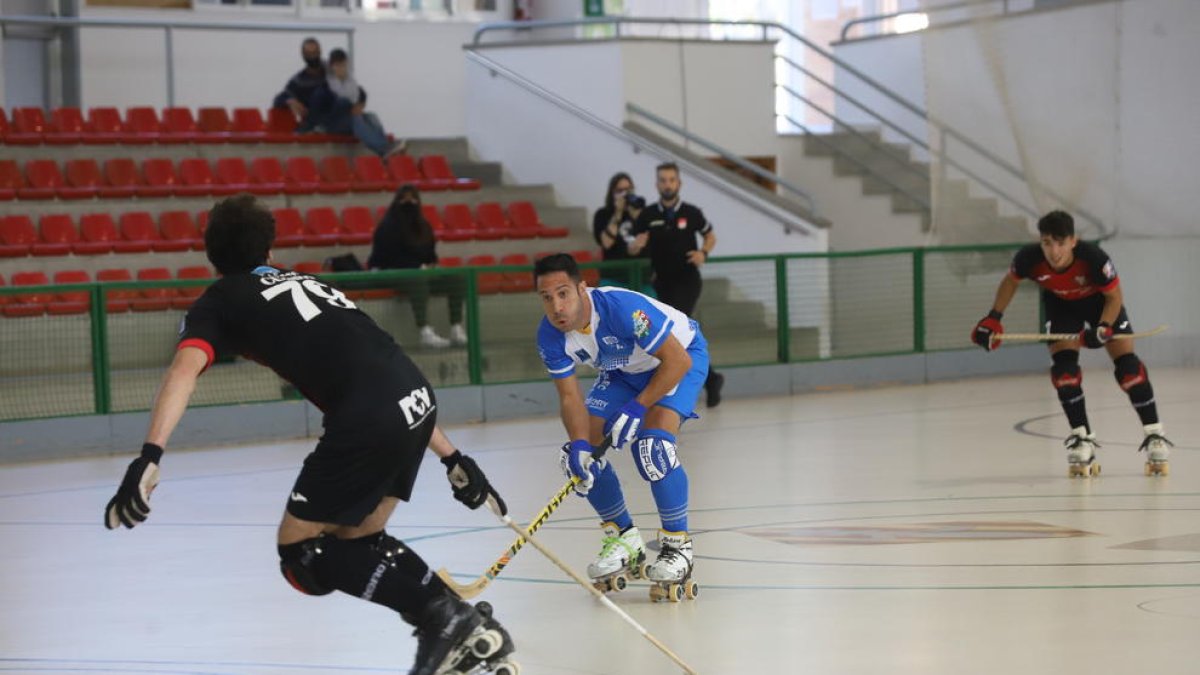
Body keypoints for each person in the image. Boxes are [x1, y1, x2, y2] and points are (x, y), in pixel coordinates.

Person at [102, 194, 517, 675]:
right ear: (269, 250)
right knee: (359, 537)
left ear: (211, 254)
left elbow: (183, 371)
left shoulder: (219, 301)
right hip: (416, 401)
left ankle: (442, 619)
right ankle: (467, 624)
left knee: (300, 553)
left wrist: (150, 455)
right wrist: (452, 456)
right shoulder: (307, 281)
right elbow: (378, 365)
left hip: (369, 415)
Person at [534, 253, 706, 601]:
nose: (557, 307)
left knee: (653, 448)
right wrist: (580, 445)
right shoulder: (549, 335)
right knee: (579, 458)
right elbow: (569, 397)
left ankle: (678, 546)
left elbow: (678, 361)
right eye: (547, 297)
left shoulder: (621, 309)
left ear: (582, 288)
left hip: (677, 359)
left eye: (563, 293)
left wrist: (638, 406)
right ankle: (624, 538)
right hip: (623, 372)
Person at [972, 210, 1172, 477]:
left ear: (1073, 241)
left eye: (1061, 243)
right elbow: (1011, 281)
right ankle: (1081, 438)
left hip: (1101, 305)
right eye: (1047, 243)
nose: (1054, 251)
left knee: (1130, 372)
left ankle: (1155, 434)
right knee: (1064, 374)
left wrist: (1102, 328)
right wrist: (993, 318)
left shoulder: (1094, 259)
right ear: (1040, 242)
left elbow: (1114, 298)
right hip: (1061, 306)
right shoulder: (1028, 259)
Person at [630, 162, 725, 408]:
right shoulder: (648, 215)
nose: (667, 184)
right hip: (661, 283)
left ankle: (678, 387)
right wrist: (636, 245)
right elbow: (633, 245)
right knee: (675, 335)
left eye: (671, 180)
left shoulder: (692, 213)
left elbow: (710, 235)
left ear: (679, 183)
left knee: (675, 331)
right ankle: (711, 378)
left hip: (687, 280)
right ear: (657, 184)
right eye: (663, 180)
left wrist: (703, 252)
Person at [368, 185, 466, 349]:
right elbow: (386, 258)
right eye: (404, 199)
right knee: (418, 281)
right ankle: (425, 331)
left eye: (413, 199)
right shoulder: (387, 226)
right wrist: (416, 267)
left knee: (456, 279)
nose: (409, 203)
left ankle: (456, 328)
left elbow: (430, 254)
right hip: (388, 272)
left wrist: (431, 264)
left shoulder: (423, 226)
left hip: (420, 272)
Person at [311, 48, 406, 157]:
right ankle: (383, 149)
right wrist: (351, 108)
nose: (341, 68)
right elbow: (337, 103)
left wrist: (359, 105)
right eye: (338, 65)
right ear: (332, 66)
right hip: (333, 123)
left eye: (343, 65)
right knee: (355, 117)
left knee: (371, 116)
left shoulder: (350, 81)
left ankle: (385, 146)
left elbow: (359, 95)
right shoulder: (326, 84)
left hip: (348, 118)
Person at [592, 172, 647, 289]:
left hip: (639, 277)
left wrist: (637, 217)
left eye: (628, 190)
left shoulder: (641, 212)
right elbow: (606, 243)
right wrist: (618, 213)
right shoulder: (603, 214)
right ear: (612, 193)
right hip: (613, 277)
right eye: (620, 191)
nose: (625, 194)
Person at [272, 37, 327, 131]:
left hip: (332, 123)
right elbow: (278, 100)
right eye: (308, 54)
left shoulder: (331, 74)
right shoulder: (299, 80)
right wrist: (290, 101)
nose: (312, 57)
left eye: (314, 53)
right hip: (310, 124)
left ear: (320, 52)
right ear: (303, 55)